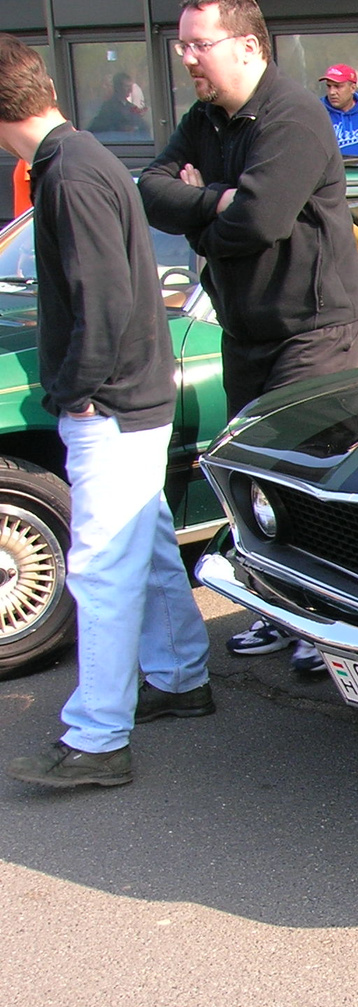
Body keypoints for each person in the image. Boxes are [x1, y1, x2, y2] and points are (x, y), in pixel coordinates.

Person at [0, 35, 212, 789]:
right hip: (132, 396)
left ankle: (98, 738)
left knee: (100, 569)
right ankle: (184, 677)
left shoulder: (66, 175)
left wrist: (78, 387)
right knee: (147, 545)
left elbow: (104, 299)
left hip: (111, 403)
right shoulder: (82, 156)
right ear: (44, 85)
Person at [140, 0, 358, 676]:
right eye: (179, 45)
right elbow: (151, 190)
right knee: (247, 478)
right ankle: (274, 608)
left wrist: (201, 209)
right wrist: (217, 199)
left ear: (245, 45)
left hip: (313, 328)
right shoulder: (203, 119)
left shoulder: (292, 116)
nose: (184, 59)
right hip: (246, 328)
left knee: (296, 477)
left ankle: (324, 626)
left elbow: (261, 221)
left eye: (196, 45)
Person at [87, 71, 149, 140]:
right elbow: (98, 128)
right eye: (126, 86)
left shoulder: (131, 107)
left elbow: (143, 126)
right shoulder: (108, 107)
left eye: (130, 87)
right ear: (118, 87)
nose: (130, 90)